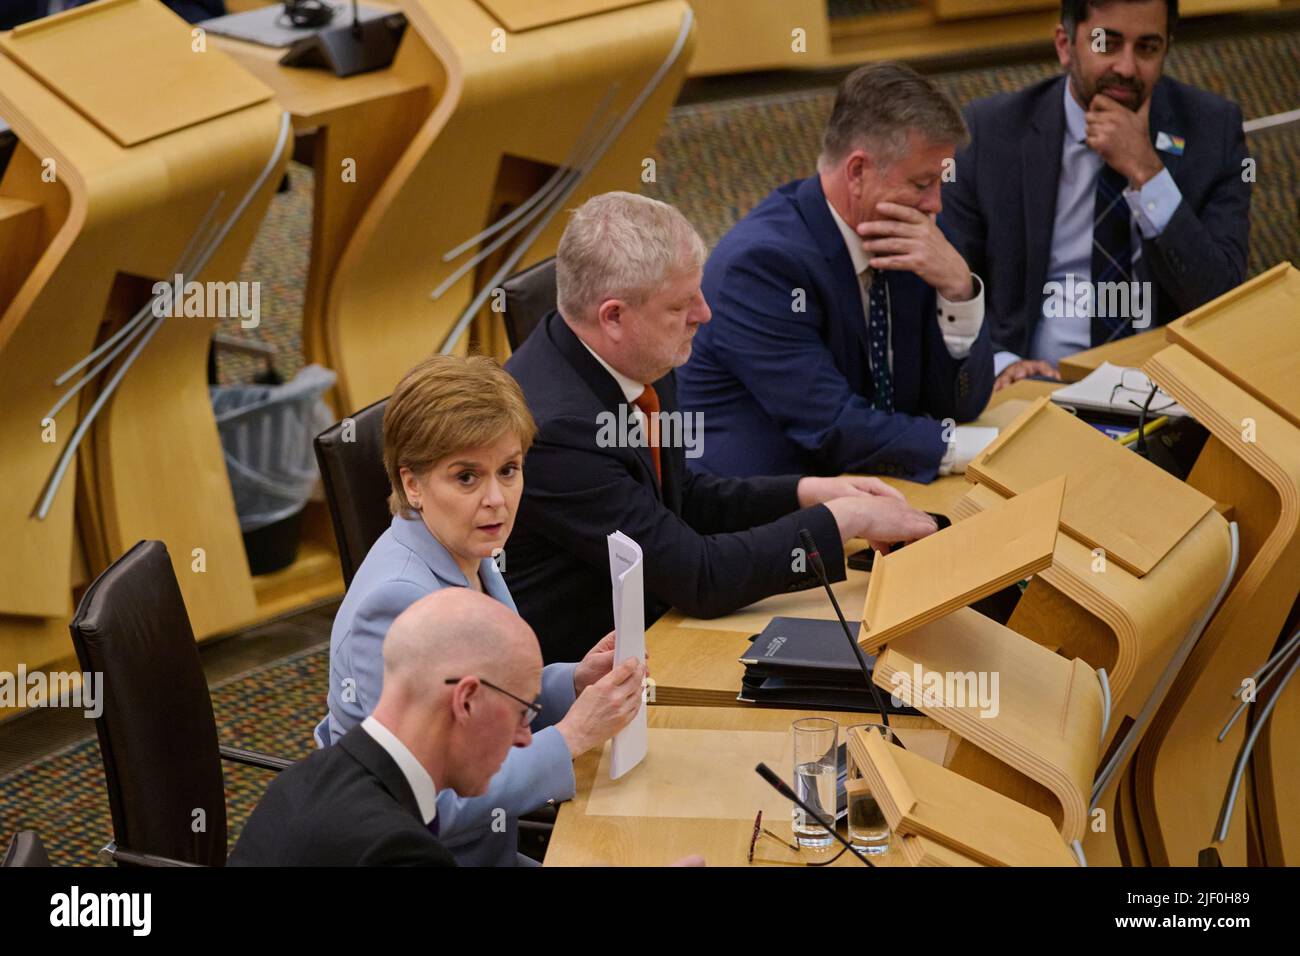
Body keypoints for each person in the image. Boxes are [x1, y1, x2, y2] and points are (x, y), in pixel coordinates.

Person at [504, 191, 940, 663]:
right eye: (680, 305)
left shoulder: (636, 354)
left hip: (659, 628)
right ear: (613, 317)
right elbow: (698, 576)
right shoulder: (559, 432)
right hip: (586, 681)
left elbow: (681, 497)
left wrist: (811, 493)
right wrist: (845, 521)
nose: (704, 315)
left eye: (699, 291)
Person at [318, 354, 645, 866]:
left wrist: (571, 685)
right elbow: (428, 803)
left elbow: (483, 713)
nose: (497, 499)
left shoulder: (470, 554)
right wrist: (571, 736)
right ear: (413, 485)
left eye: (509, 470)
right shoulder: (394, 606)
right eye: (467, 478)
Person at [676, 63, 996, 485]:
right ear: (858, 172)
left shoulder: (914, 237)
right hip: (768, 513)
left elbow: (960, 407)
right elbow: (831, 427)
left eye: (941, 182)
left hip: (880, 485)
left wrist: (959, 291)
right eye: (922, 184)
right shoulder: (760, 267)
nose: (936, 204)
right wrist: (979, 450)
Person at [940, 0, 1250, 391]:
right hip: (1035, 386)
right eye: (1107, 43)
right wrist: (1001, 363)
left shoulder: (1213, 131)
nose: (1126, 68)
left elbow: (1223, 302)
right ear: (1065, 45)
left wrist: (1148, 173)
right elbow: (948, 281)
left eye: (1147, 48)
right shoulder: (991, 134)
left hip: (1165, 392)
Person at [230, 590, 540, 866]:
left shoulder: (300, 778)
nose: (524, 737)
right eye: (522, 711)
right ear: (467, 701)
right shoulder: (402, 853)